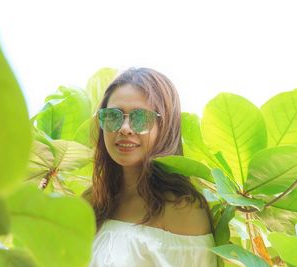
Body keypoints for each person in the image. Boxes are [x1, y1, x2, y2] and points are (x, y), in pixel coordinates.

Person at [83, 67, 217, 267]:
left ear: (165, 127)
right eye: (113, 116)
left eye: (141, 118)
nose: (125, 128)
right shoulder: (92, 201)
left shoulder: (182, 210)